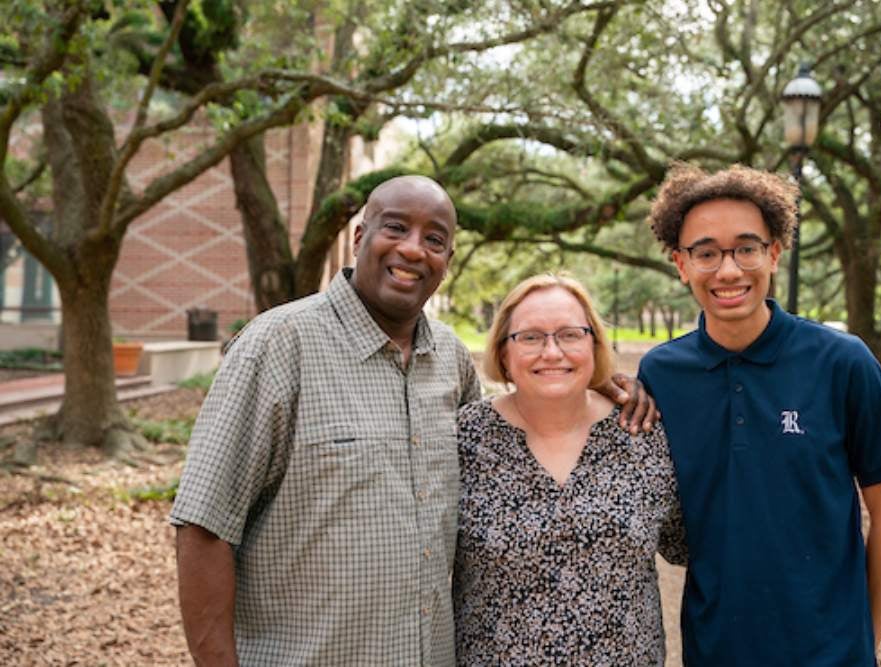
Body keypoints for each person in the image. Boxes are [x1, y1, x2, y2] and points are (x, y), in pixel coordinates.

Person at [169, 176, 654, 666]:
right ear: (360, 238)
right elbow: (204, 525)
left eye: (435, 239)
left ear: (447, 260)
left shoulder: (449, 360)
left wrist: (596, 386)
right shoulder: (278, 345)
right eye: (396, 228)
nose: (413, 250)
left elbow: (519, 427)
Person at [637, 164, 881, 666]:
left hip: (831, 653)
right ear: (680, 264)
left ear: (774, 253)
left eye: (746, 248)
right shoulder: (660, 375)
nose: (728, 270)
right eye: (705, 253)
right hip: (713, 650)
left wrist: (863, 642)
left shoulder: (843, 362)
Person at [453, 274, 686, 666]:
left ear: (595, 345)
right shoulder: (462, 440)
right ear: (503, 353)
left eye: (570, 335)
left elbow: (691, 545)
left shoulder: (642, 433)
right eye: (530, 337)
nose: (552, 352)